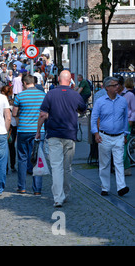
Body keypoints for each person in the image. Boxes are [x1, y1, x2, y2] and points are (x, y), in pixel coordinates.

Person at [36, 70, 86, 207]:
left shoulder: (50, 94)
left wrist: (38, 131)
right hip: (70, 134)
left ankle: (58, 197)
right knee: (67, 166)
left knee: (56, 166)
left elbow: (42, 114)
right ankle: (65, 192)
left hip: (53, 134)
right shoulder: (75, 95)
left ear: (58, 79)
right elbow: (83, 109)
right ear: (70, 81)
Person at [91, 76, 130, 197]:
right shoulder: (100, 101)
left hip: (118, 136)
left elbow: (125, 118)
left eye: (117, 85)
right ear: (107, 88)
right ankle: (105, 187)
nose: (117, 87)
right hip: (104, 136)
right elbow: (93, 118)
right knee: (104, 164)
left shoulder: (122, 101)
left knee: (119, 162)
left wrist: (125, 133)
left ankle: (121, 187)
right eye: (114, 85)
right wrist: (96, 133)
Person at [13, 74, 46, 195]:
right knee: (37, 159)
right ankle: (37, 189)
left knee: (22, 158)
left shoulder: (20, 96)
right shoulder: (43, 96)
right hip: (39, 131)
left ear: (25, 84)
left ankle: (22, 187)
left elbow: (15, 113)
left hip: (23, 130)